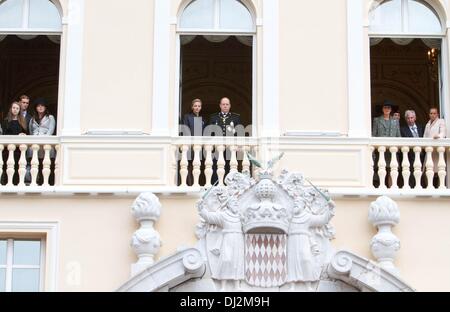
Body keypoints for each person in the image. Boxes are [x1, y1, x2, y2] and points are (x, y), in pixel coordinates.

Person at [287, 198, 334, 291]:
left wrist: (330, 208)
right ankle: (292, 285)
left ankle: (308, 284)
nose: (295, 204)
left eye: (298, 202)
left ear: (303, 205)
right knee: (292, 262)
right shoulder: (289, 217)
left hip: (303, 240)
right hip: (292, 240)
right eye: (295, 203)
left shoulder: (307, 217)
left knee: (306, 260)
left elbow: (322, 220)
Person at [198, 198, 244, 291]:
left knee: (237, 261)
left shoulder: (240, 216)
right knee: (226, 260)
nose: (235, 204)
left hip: (238, 239)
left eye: (236, 203)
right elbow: (210, 217)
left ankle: (236, 286)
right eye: (233, 202)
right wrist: (201, 208)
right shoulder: (223, 216)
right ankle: (223, 286)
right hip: (228, 239)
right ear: (228, 205)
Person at [423, 107, 447, 187]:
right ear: (429, 114)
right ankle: (430, 186)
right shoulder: (428, 124)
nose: (432, 115)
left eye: (434, 113)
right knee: (428, 170)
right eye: (431, 113)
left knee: (437, 170)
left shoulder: (441, 121)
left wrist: (439, 136)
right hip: (429, 150)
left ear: (437, 114)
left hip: (437, 151)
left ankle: (436, 186)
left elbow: (443, 133)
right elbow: (424, 137)